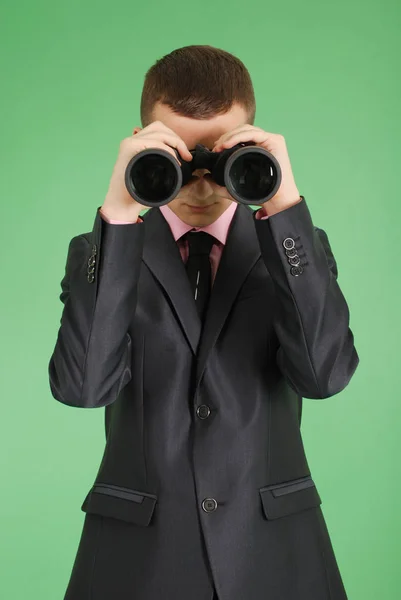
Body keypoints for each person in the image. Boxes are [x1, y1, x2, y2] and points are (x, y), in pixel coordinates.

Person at [48, 44, 359, 600]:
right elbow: (83, 386)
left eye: (218, 160)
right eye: (180, 160)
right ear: (142, 144)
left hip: (276, 559)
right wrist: (118, 215)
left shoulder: (292, 250)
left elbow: (326, 375)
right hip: (135, 564)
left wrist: (283, 204)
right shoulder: (103, 251)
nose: (200, 184)